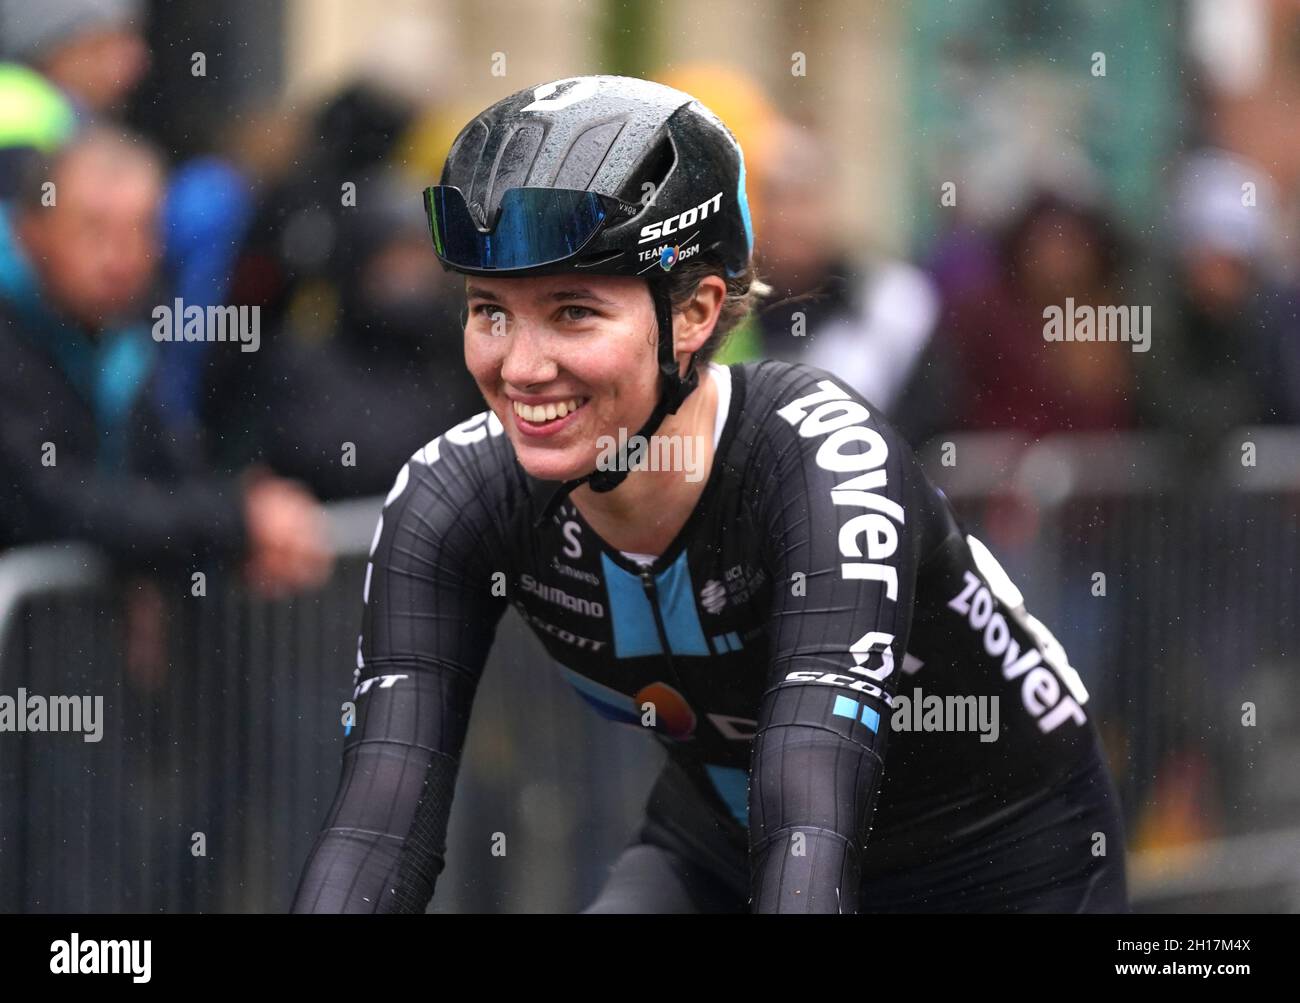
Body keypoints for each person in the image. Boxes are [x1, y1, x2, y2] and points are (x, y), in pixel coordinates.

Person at [291, 74, 1128, 914]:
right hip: (721, 849)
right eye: (490, 310)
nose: (520, 366)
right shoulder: (453, 496)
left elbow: (811, 804)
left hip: (1001, 858)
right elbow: (377, 831)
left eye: (574, 312)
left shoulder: (821, 462)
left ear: (694, 314)